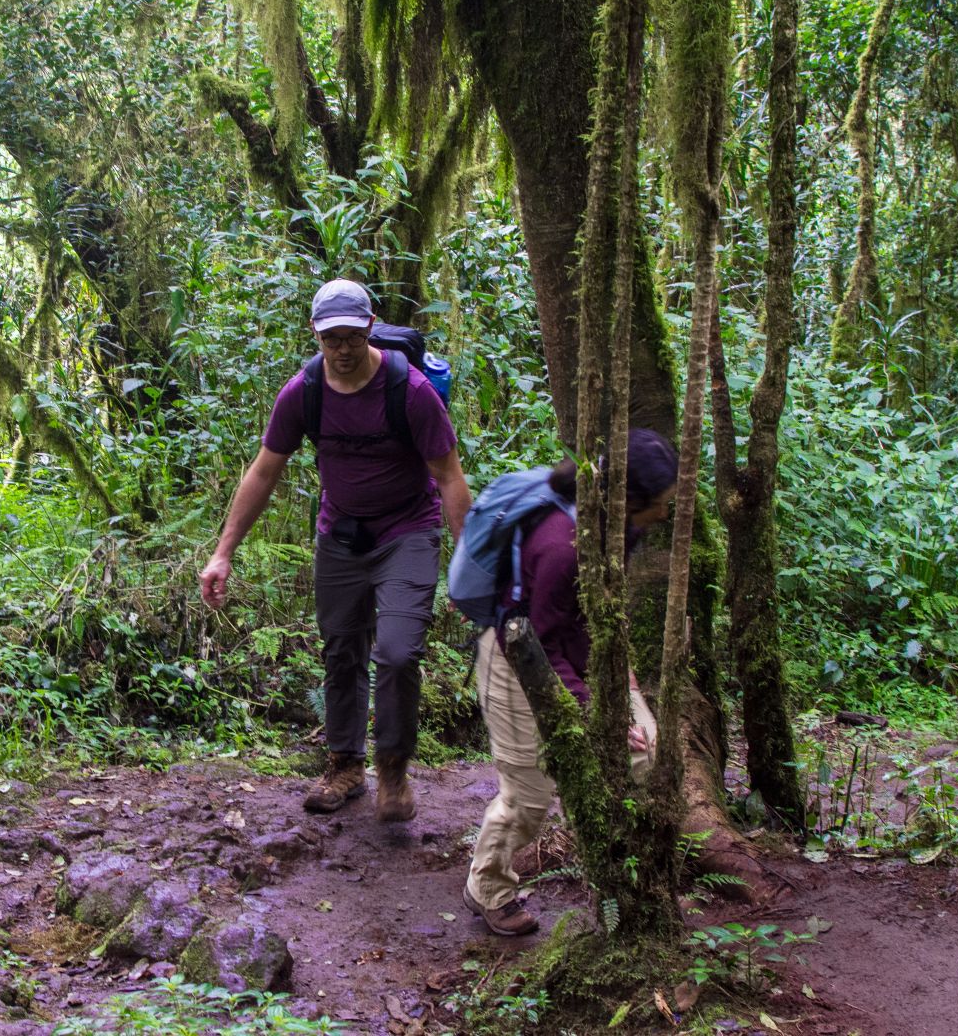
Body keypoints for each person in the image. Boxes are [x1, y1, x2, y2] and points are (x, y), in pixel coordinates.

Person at [199, 279, 471, 822]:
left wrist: (468, 565)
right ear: (316, 335)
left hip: (408, 532)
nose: (342, 350)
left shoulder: (411, 392)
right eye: (331, 339)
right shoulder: (303, 392)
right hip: (341, 536)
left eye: (351, 337)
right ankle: (346, 765)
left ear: (370, 328)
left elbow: (448, 478)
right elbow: (264, 470)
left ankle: (393, 766)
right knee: (341, 651)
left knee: (397, 652)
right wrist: (223, 551)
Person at [462, 428, 677, 935]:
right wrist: (587, 710)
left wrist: (620, 683)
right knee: (528, 798)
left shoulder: (624, 528)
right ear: (630, 499)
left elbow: (599, 613)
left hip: (587, 653)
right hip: (516, 658)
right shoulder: (561, 546)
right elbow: (544, 642)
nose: (667, 515)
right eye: (661, 504)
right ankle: (487, 888)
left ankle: (624, 879)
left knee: (645, 750)